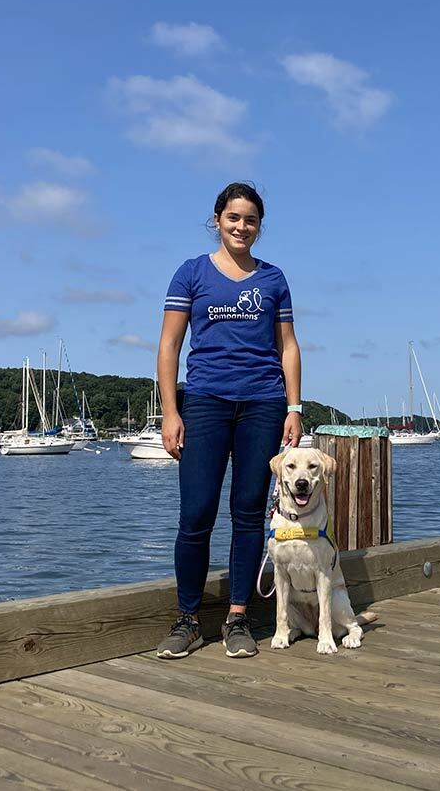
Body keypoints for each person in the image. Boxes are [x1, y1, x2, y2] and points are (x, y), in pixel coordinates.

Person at [155, 182, 303, 659]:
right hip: (204, 402)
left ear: (260, 227)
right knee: (196, 515)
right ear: (217, 219)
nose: (242, 227)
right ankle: (188, 619)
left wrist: (294, 408)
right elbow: (169, 347)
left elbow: (288, 347)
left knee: (246, 513)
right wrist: (170, 412)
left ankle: (237, 619)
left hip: (262, 405)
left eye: (251, 220)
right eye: (234, 217)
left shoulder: (273, 279)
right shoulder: (191, 273)